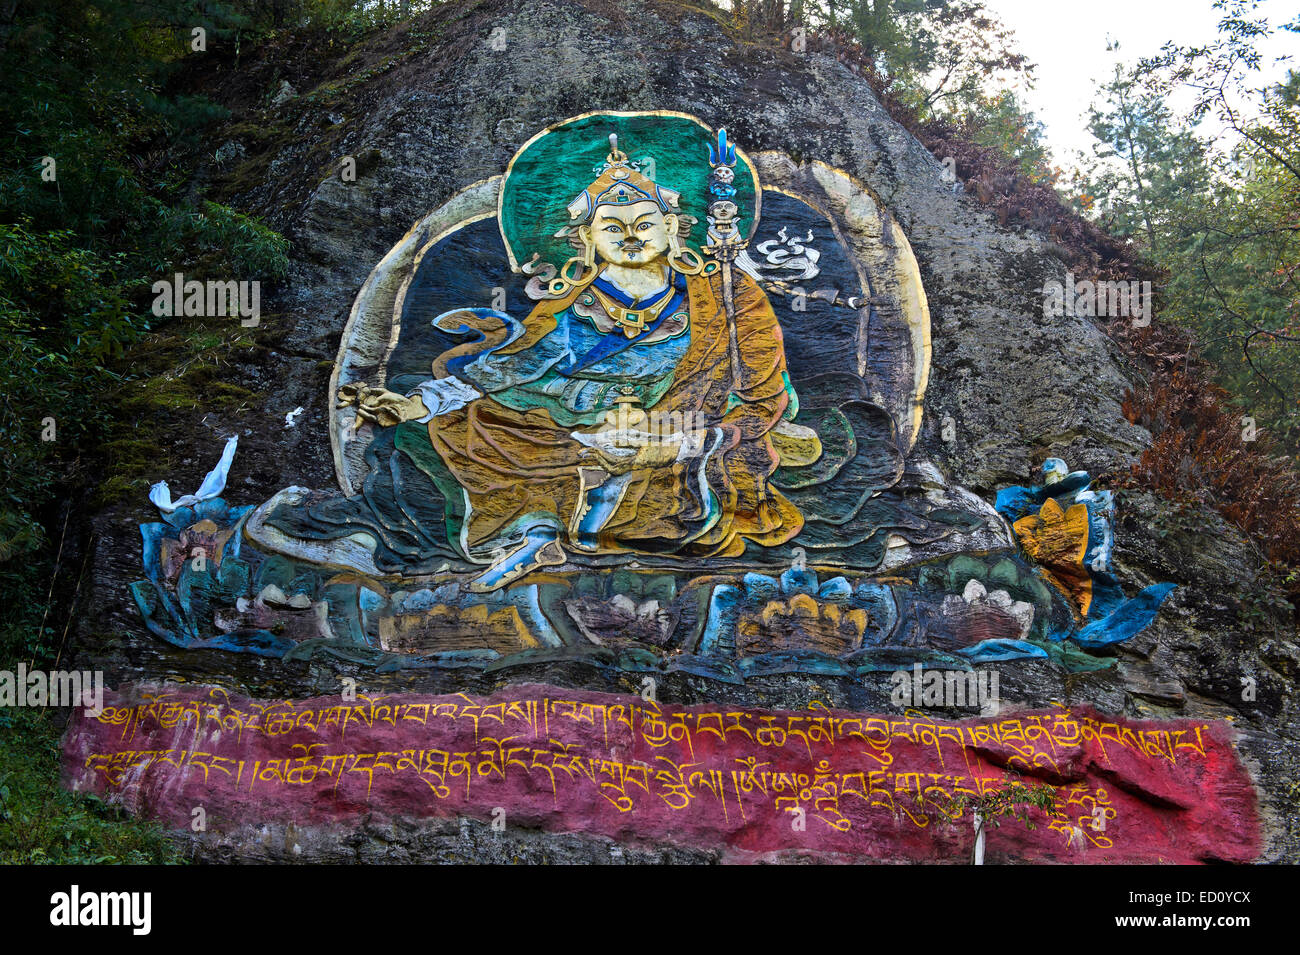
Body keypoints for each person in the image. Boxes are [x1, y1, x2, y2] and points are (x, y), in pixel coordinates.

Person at [341, 138, 812, 591]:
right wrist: (415, 405)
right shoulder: (573, 300)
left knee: (681, 470)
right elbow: (512, 369)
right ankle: (538, 535)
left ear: (674, 228)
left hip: (675, 430)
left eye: (645, 224)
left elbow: (761, 400)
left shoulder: (728, 298)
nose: (630, 236)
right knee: (470, 424)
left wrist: (674, 444)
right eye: (612, 226)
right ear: (586, 237)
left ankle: (585, 522)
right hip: (565, 424)